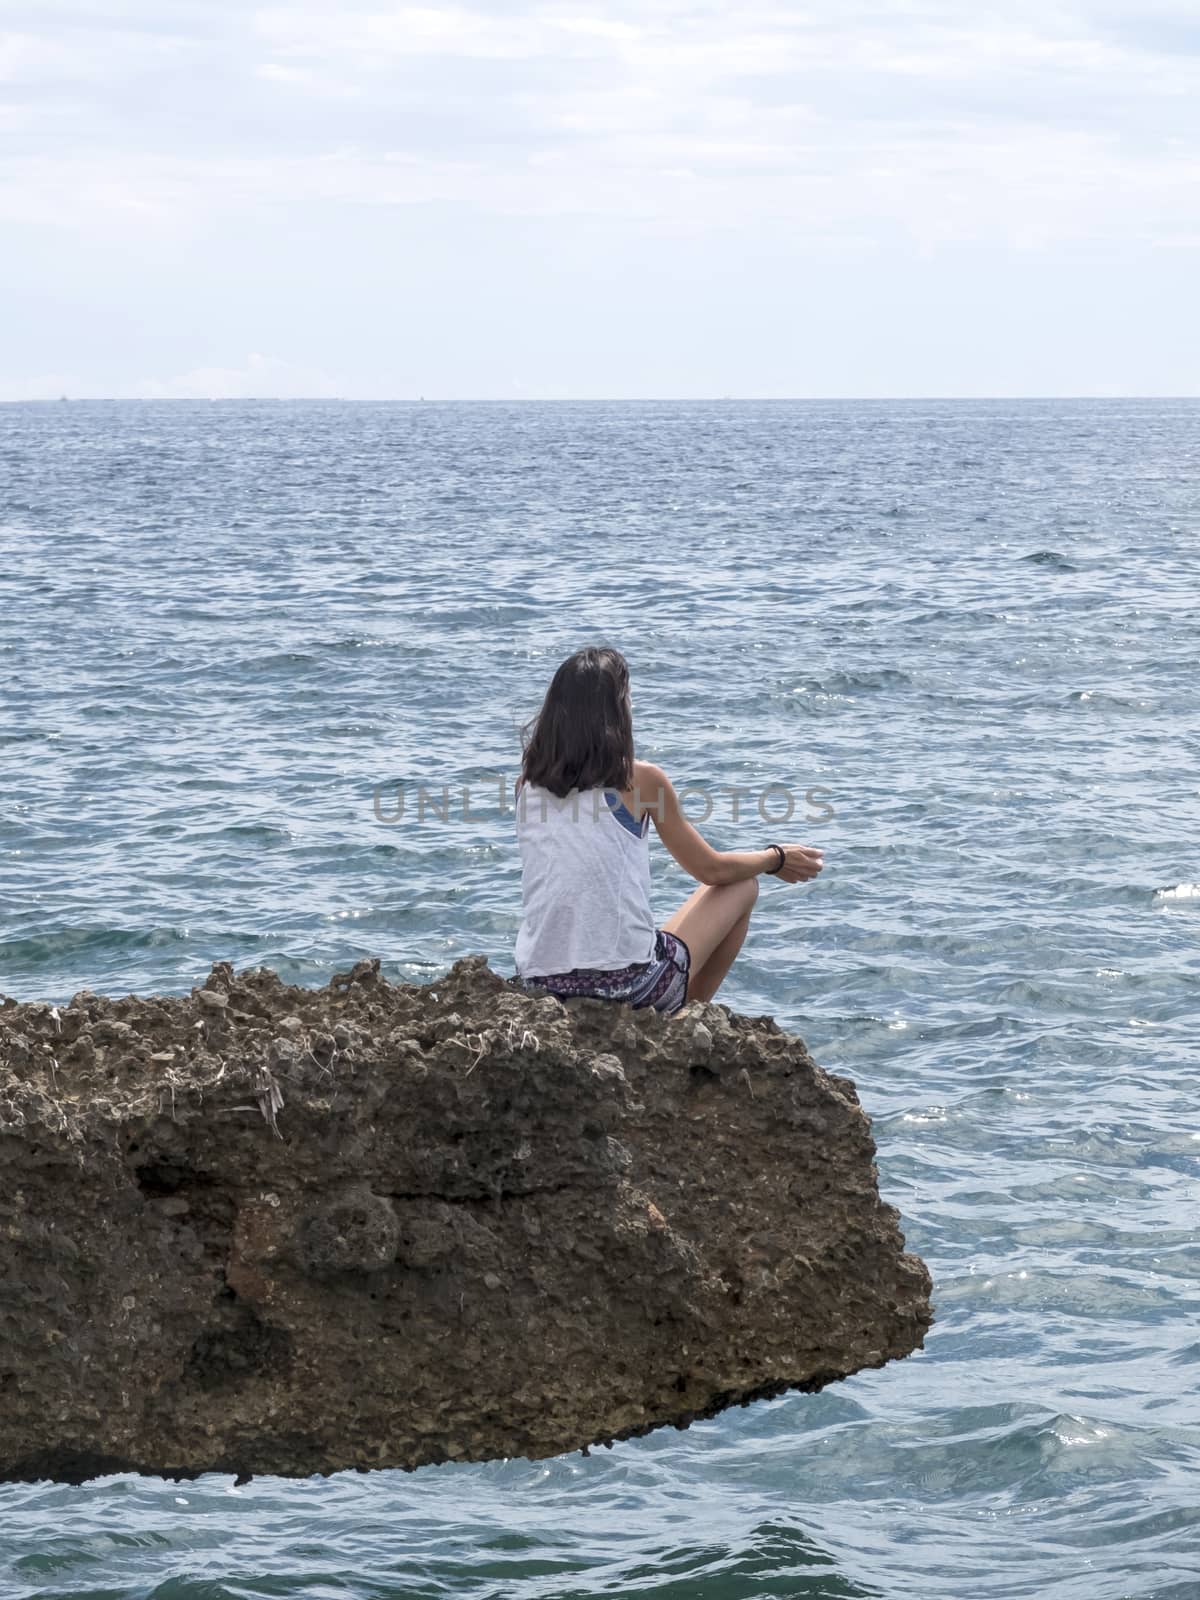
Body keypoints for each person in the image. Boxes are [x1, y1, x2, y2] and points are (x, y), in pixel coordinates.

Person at [511, 645, 824, 1014]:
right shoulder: (640, 780)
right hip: (628, 988)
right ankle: (686, 1020)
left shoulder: (527, 785)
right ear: (617, 710)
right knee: (742, 885)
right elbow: (711, 870)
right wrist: (775, 858)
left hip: (540, 988)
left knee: (647, 936)